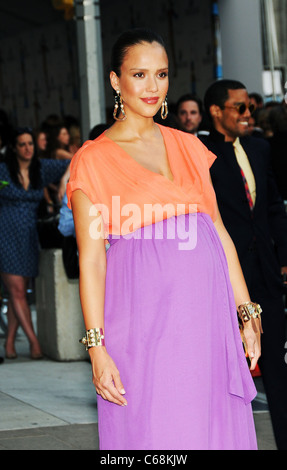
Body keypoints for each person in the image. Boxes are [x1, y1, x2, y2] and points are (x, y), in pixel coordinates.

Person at [67, 28, 261, 450]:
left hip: (207, 320)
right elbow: (92, 260)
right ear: (116, 81)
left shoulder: (189, 146)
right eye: (139, 75)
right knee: (156, 432)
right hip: (143, 323)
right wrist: (97, 349)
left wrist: (245, 309)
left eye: (161, 74)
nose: (152, 87)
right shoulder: (93, 160)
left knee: (211, 426)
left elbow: (219, 232)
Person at [201, 79, 287, 450]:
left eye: (250, 106)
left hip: (266, 276)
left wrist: (283, 258)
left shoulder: (260, 148)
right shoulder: (200, 152)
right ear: (217, 111)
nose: (249, 114)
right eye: (240, 108)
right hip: (222, 281)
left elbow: (272, 208)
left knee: (278, 374)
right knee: (221, 373)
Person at [0, 127, 70, 359]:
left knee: (15, 293)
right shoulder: (3, 171)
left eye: (30, 143)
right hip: (6, 235)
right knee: (18, 291)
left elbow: (79, 158)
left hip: (30, 236)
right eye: (22, 144)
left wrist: (63, 183)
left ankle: (9, 343)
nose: (28, 148)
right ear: (14, 148)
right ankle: (34, 341)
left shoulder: (42, 168)